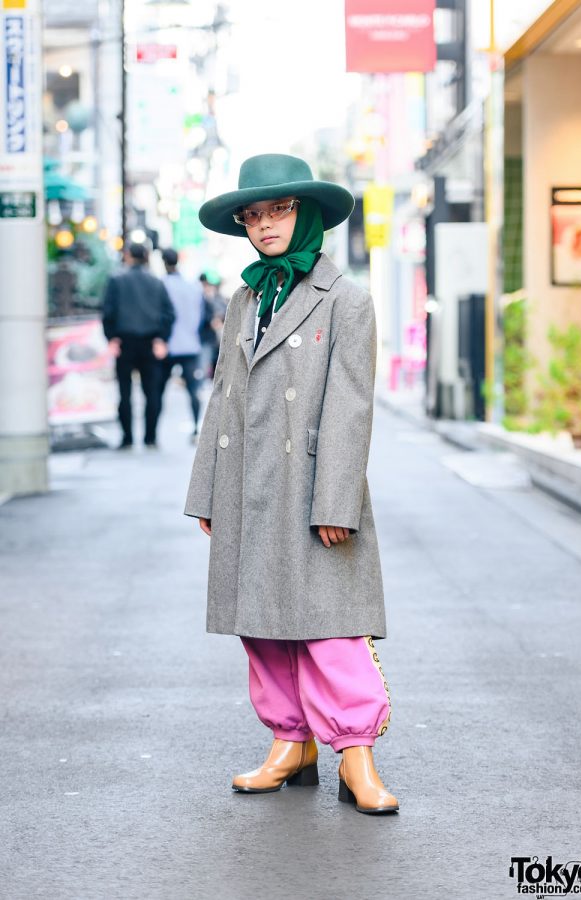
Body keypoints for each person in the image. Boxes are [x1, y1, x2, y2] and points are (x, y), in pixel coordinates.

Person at [184, 154, 398, 815]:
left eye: (278, 210)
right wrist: (207, 491)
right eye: (254, 214)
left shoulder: (348, 300)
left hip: (311, 491)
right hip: (247, 485)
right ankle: (289, 740)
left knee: (330, 627)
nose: (264, 224)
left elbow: (350, 404)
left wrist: (335, 499)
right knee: (263, 625)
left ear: (306, 214)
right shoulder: (244, 299)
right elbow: (223, 396)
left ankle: (355, 753)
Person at [102, 242, 175, 449]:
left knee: (124, 392)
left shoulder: (116, 280)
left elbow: (108, 312)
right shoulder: (156, 282)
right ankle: (150, 437)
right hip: (150, 342)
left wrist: (111, 338)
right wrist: (162, 338)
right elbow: (169, 314)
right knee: (151, 392)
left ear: (128, 256)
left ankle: (127, 438)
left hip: (124, 341)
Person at [159, 248, 204, 442]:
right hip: (190, 344)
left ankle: (153, 434)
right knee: (193, 390)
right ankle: (195, 427)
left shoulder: (161, 285)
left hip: (167, 345)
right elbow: (201, 315)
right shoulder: (193, 286)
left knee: (157, 389)